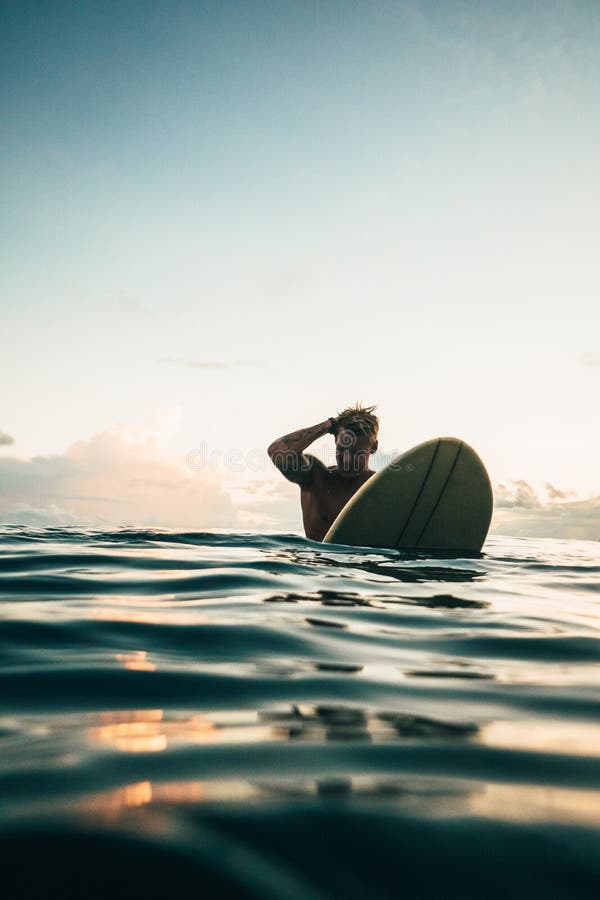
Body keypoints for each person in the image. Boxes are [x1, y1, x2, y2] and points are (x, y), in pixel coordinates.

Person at [267, 403, 379, 541]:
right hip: (318, 560)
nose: (347, 459)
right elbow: (278, 451)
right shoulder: (316, 478)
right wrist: (329, 425)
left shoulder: (381, 486)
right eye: (342, 449)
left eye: (356, 452)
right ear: (335, 441)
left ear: (373, 447)